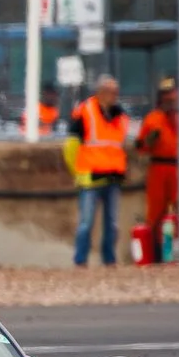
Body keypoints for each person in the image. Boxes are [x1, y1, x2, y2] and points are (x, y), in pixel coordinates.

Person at [65, 74, 129, 267]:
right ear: (100, 92)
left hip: (113, 176)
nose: (114, 95)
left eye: (116, 92)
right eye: (111, 91)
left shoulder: (120, 116)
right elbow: (70, 146)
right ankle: (80, 260)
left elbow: (117, 145)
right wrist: (77, 171)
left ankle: (109, 259)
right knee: (86, 223)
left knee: (112, 224)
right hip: (91, 176)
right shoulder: (85, 111)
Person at [136, 78, 179, 262]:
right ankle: (154, 254)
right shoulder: (153, 118)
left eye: (172, 94)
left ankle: (178, 253)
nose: (170, 98)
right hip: (159, 167)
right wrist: (149, 142)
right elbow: (140, 146)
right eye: (166, 95)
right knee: (155, 212)